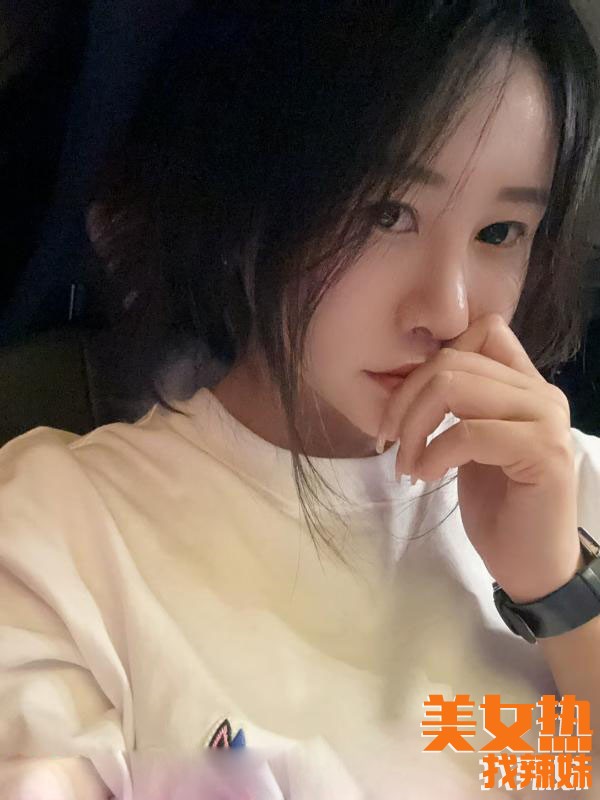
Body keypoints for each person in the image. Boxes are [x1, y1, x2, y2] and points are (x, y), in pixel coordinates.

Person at [1, 2, 600, 797]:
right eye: (387, 214)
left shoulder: (570, 485)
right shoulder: (61, 539)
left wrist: (561, 589)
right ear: (247, 197)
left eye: (500, 232)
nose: (448, 310)